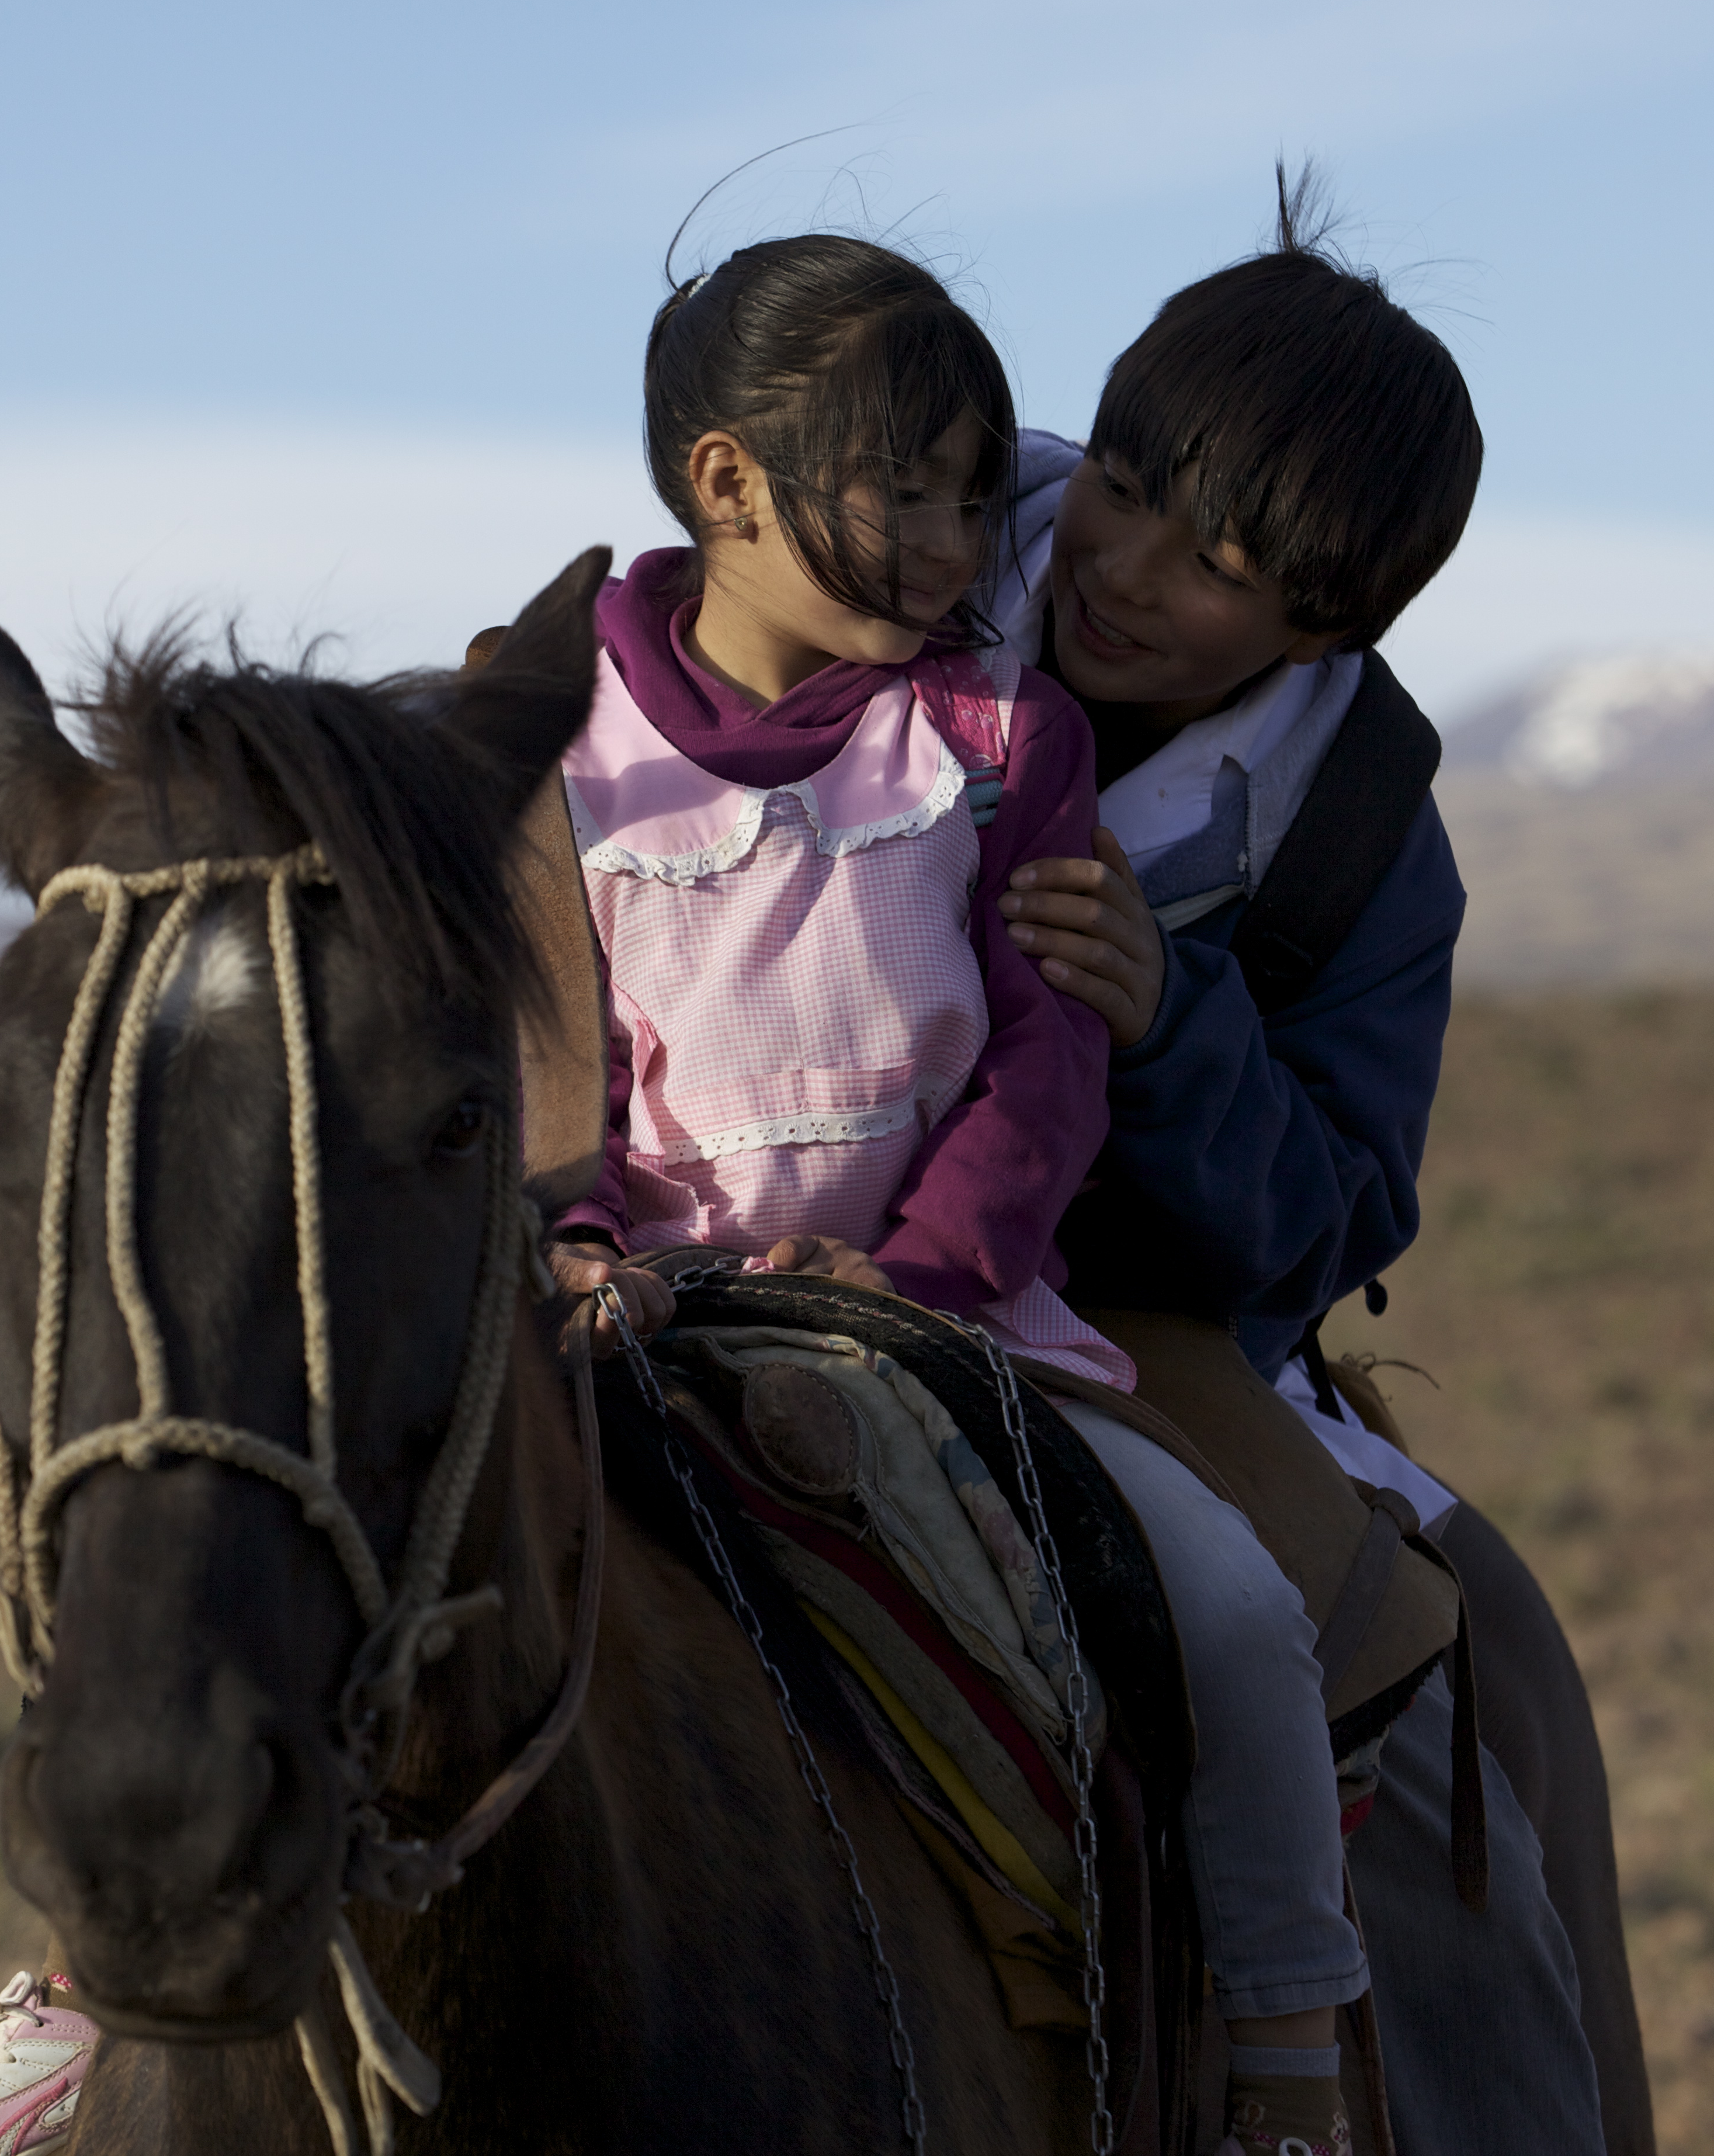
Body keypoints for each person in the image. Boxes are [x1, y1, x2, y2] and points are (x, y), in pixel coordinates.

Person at [545, 230, 1376, 2156]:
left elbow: (1043, 1054)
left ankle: (1281, 2065)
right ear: (725, 481)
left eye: (965, 487)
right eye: (896, 488)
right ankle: (96, 2021)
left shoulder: (1002, 738)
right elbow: (547, 1054)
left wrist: (931, 1273)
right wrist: (582, 1244)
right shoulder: (562, 760)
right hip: (634, 1323)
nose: (951, 542)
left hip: (952, 1325)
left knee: (1241, 1617)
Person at [989, 172, 1641, 2154]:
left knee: (1450, 1666)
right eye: (1120, 482)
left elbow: (1335, 1219)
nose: (1121, 566)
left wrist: (1167, 1035)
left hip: (1115, 1325)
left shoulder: (1360, 839)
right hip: (700, 1226)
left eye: (1219, 561)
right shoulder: (903, 533)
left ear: (1321, 622)